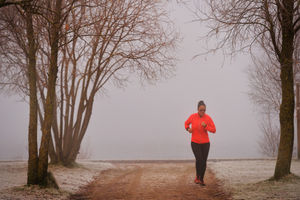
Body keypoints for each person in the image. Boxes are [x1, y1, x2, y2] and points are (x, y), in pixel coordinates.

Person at [184, 100, 216, 186]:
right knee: (199, 159)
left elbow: (214, 130)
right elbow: (186, 123)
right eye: (201, 110)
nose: (202, 112)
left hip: (205, 143)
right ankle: (197, 177)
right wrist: (188, 129)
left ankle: (201, 179)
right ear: (197, 109)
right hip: (195, 142)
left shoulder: (208, 118)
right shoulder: (193, 117)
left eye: (204, 110)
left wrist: (206, 126)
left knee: (203, 161)